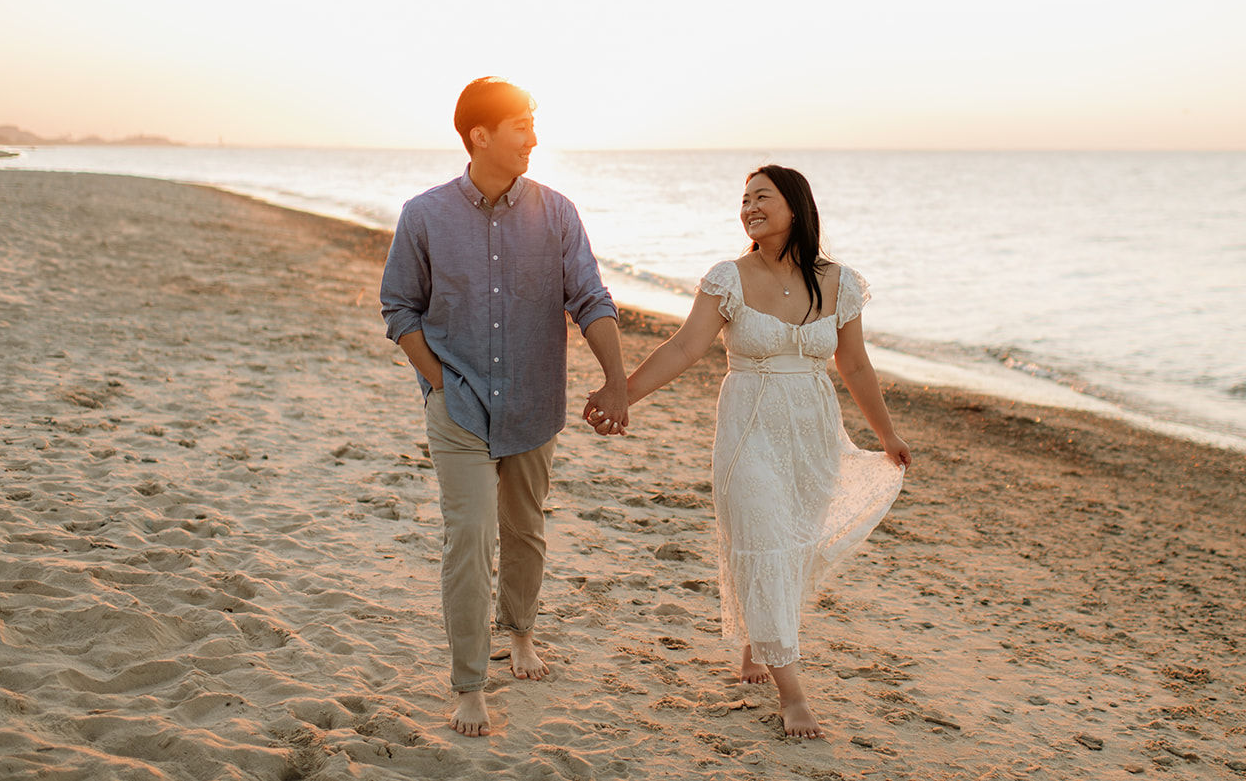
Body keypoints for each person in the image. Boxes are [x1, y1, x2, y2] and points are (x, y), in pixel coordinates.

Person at [585, 164, 911, 739]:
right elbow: (685, 347)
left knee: (789, 549)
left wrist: (885, 434)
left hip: (812, 434)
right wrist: (622, 393)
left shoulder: (840, 282)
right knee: (761, 541)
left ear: (795, 207)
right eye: (743, 200)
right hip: (749, 431)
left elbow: (854, 363)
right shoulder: (727, 278)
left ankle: (757, 644)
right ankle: (794, 696)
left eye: (762, 197)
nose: (749, 207)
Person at [380, 76, 629, 738]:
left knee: (524, 529)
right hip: (457, 405)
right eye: (522, 124)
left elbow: (591, 298)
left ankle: (519, 630)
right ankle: (468, 683)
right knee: (469, 537)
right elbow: (398, 307)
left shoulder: (558, 213)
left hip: (532, 400)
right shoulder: (424, 215)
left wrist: (616, 377)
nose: (534, 137)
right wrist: (437, 381)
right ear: (480, 135)